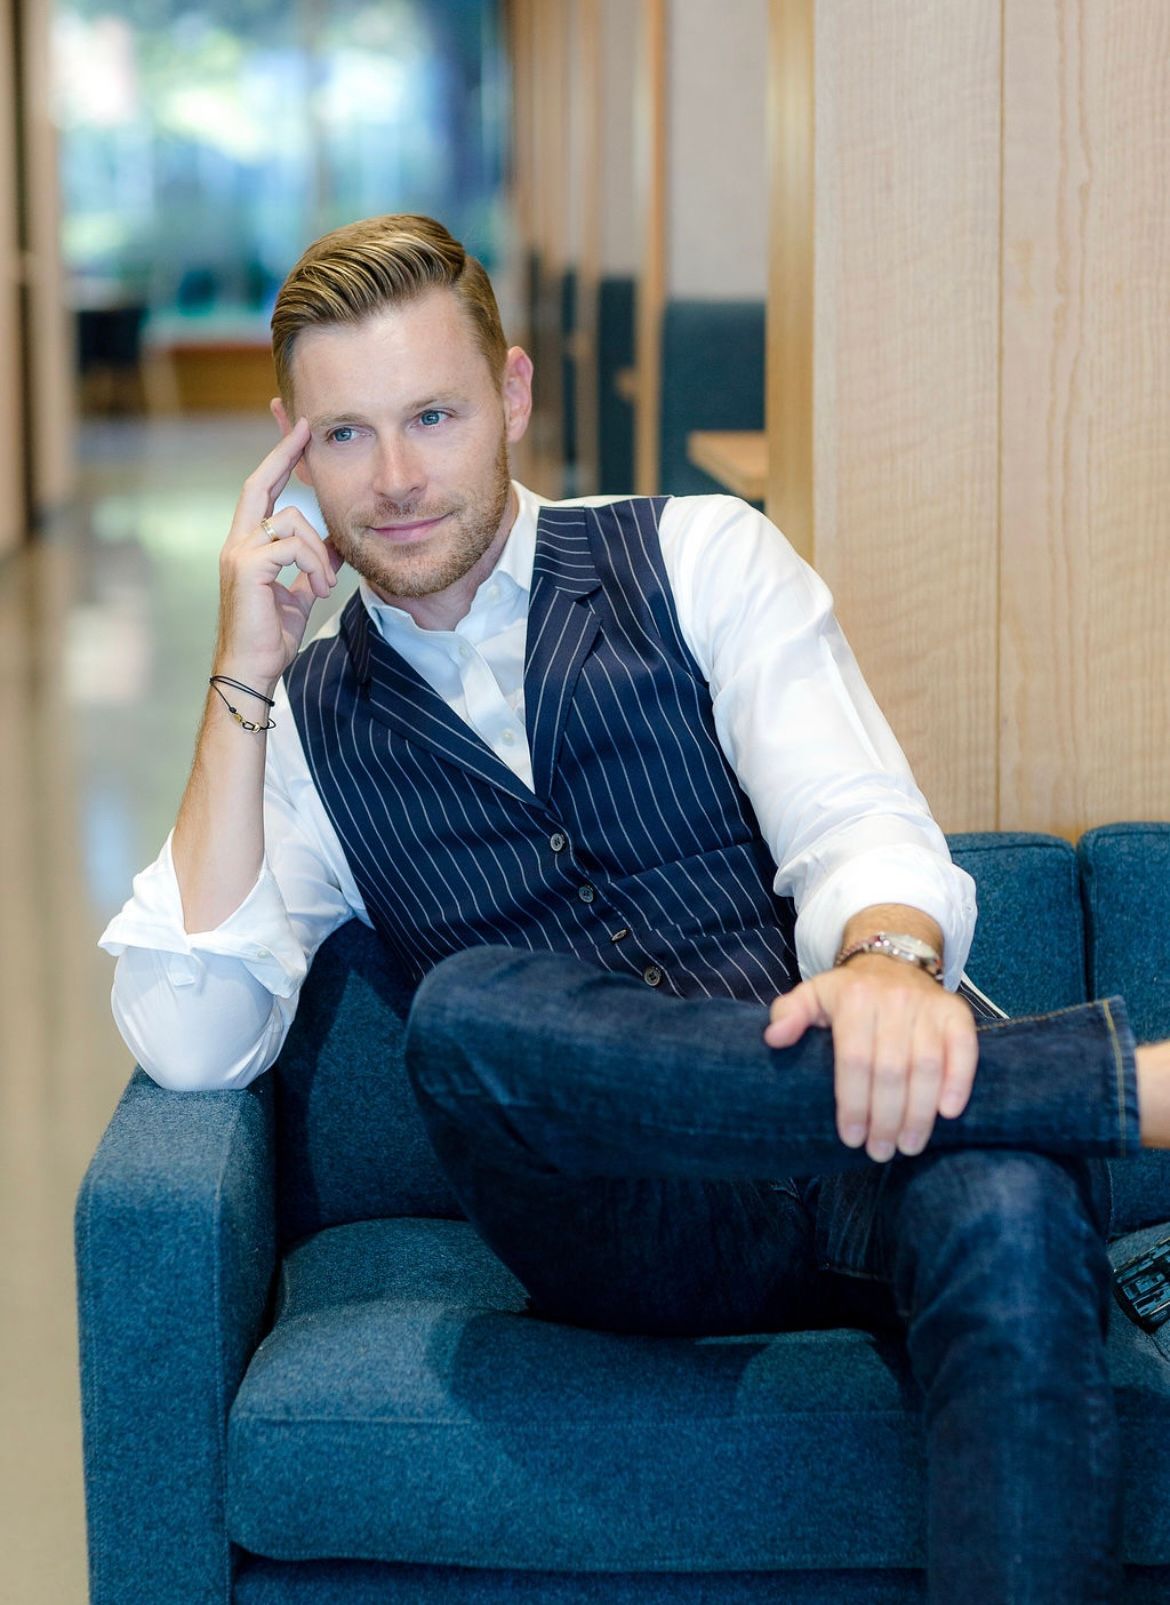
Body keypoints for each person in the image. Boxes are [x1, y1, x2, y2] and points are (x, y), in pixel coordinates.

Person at [101, 214, 1170, 1601]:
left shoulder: (702, 556)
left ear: (515, 396)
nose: (402, 476)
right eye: (347, 436)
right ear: (288, 456)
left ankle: (1018, 1113)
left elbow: (855, 826)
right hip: (627, 1226)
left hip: (873, 1147)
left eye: (434, 413)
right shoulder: (299, 728)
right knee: (465, 1013)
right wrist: (244, 667)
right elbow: (193, 1039)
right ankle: (1090, 1086)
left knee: (1011, 1197)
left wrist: (895, 964)